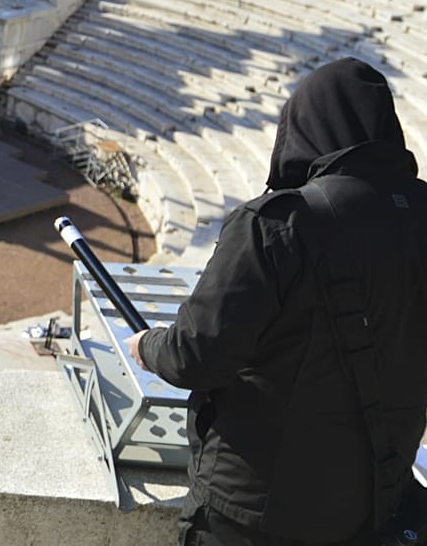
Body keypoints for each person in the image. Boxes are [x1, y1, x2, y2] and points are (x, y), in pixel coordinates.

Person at [128, 58, 427, 546]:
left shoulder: (278, 223)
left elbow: (196, 356)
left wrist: (147, 345)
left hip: (255, 510)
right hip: (372, 503)